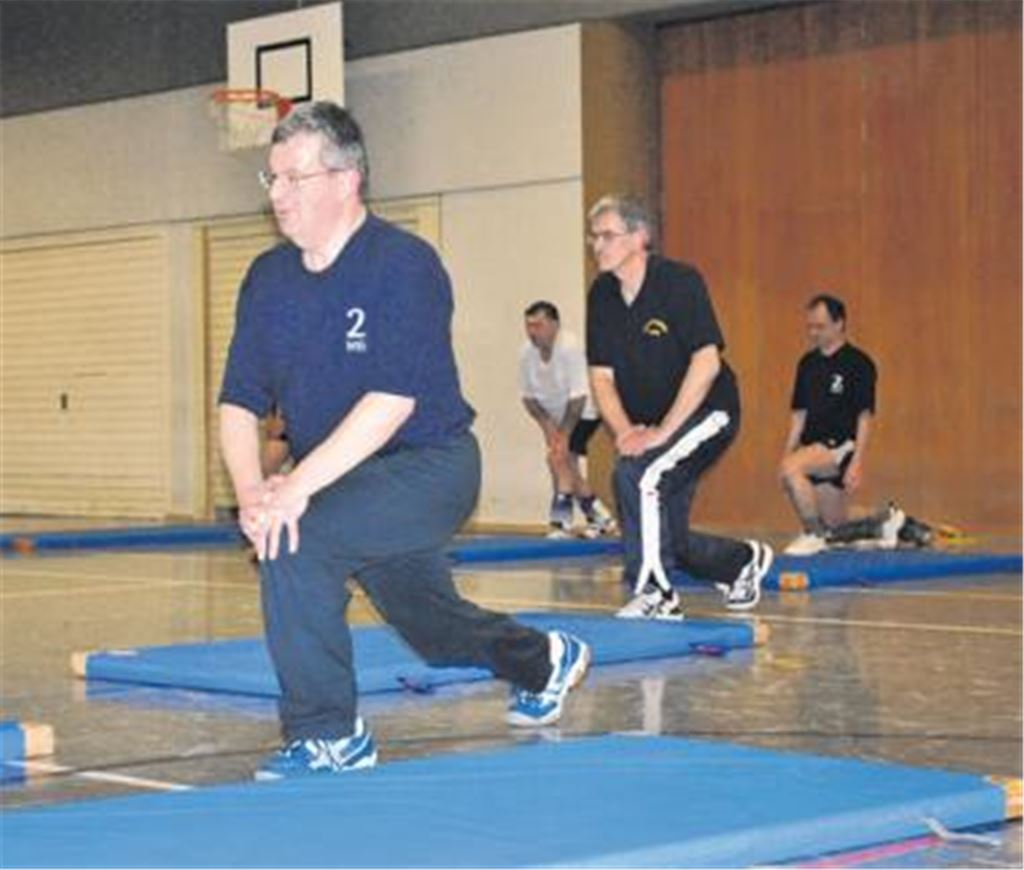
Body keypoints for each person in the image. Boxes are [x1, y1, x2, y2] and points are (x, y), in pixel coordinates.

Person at [219, 102, 589, 780]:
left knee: (296, 541)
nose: (276, 193)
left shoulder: (404, 265)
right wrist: (251, 491)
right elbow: (239, 401)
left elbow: (390, 403)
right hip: (344, 475)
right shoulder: (267, 281)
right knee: (434, 629)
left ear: (345, 179)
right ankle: (543, 660)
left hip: (430, 466)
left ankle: (330, 734)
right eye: (270, 179)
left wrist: (292, 491)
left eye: (292, 178)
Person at [585, 194, 773, 620]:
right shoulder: (602, 296)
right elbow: (602, 377)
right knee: (667, 534)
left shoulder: (679, 282)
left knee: (636, 475)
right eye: (593, 237)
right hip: (653, 424)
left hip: (709, 412)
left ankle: (655, 593)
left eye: (608, 236)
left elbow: (706, 362)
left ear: (640, 237)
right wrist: (625, 431)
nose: (598, 245)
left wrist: (664, 433)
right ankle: (740, 561)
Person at [780, 294, 879, 555]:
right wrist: (788, 449)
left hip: (840, 446)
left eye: (820, 327)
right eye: (810, 326)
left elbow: (864, 416)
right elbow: (799, 413)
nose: (813, 332)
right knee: (838, 522)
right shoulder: (807, 363)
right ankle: (889, 519)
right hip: (813, 447)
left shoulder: (859, 364)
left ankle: (814, 534)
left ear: (839, 324)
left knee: (792, 470)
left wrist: (857, 461)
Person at [519, 300, 616, 538]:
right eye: (529, 326)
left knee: (558, 458)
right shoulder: (525, 352)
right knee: (565, 462)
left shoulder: (569, 347)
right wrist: (548, 429)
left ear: (555, 325)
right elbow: (529, 399)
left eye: (539, 326)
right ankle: (601, 517)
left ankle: (561, 522)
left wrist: (563, 434)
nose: (533, 332)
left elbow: (578, 398)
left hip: (584, 412)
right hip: (554, 414)